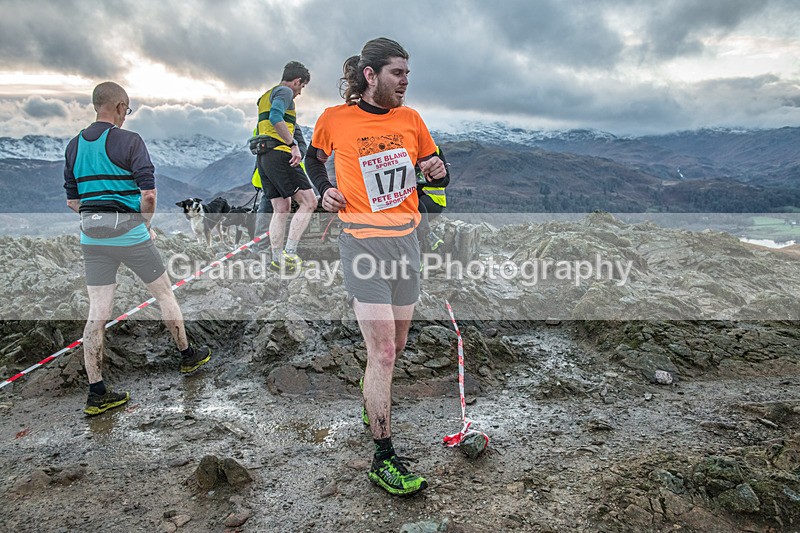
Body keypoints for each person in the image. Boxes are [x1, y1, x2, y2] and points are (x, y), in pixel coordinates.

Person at [305, 38, 447, 496]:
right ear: (371, 76)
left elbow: (433, 165)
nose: (406, 81)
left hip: (407, 244)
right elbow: (312, 158)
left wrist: (439, 172)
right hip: (362, 245)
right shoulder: (335, 119)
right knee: (384, 352)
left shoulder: (412, 120)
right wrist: (325, 189)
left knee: (395, 345)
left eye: (408, 74)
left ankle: (372, 394)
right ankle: (383, 457)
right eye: (397, 73)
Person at [63, 81, 211, 417]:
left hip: (92, 239)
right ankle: (188, 357)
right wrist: (142, 224)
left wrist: (96, 214)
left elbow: (73, 201)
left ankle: (97, 392)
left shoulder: (73, 147)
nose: (126, 116)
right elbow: (149, 196)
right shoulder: (129, 141)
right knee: (164, 294)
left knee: (97, 312)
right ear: (118, 107)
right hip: (131, 235)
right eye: (126, 110)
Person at [254, 61, 317, 273]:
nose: (299, 93)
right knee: (309, 202)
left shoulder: (265, 95)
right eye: (302, 87)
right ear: (297, 81)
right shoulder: (285, 92)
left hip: (264, 157)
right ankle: (290, 254)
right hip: (280, 154)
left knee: (281, 208)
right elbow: (275, 117)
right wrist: (293, 145)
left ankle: (276, 259)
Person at [416, 144, 449, 252]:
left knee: (414, 208)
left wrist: (421, 182)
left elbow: (445, 180)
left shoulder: (434, 149)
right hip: (415, 197)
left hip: (434, 200)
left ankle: (427, 236)